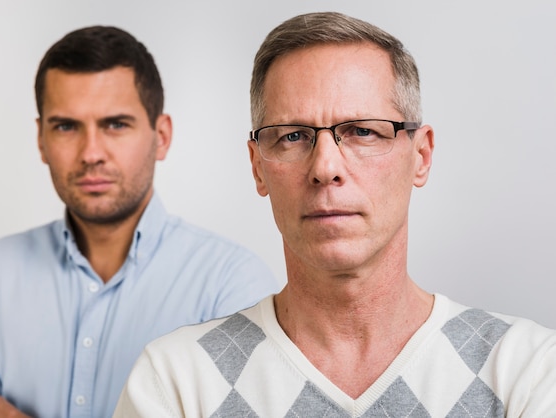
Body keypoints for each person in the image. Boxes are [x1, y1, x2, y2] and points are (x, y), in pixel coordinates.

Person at [113, 11, 556, 418]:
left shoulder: (526, 370)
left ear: (421, 155)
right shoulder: (176, 381)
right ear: (257, 166)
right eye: (291, 136)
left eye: (362, 131)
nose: (325, 168)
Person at [0, 26, 280, 418]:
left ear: (161, 136)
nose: (91, 153)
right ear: (41, 140)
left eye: (115, 124)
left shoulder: (232, 288)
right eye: (66, 126)